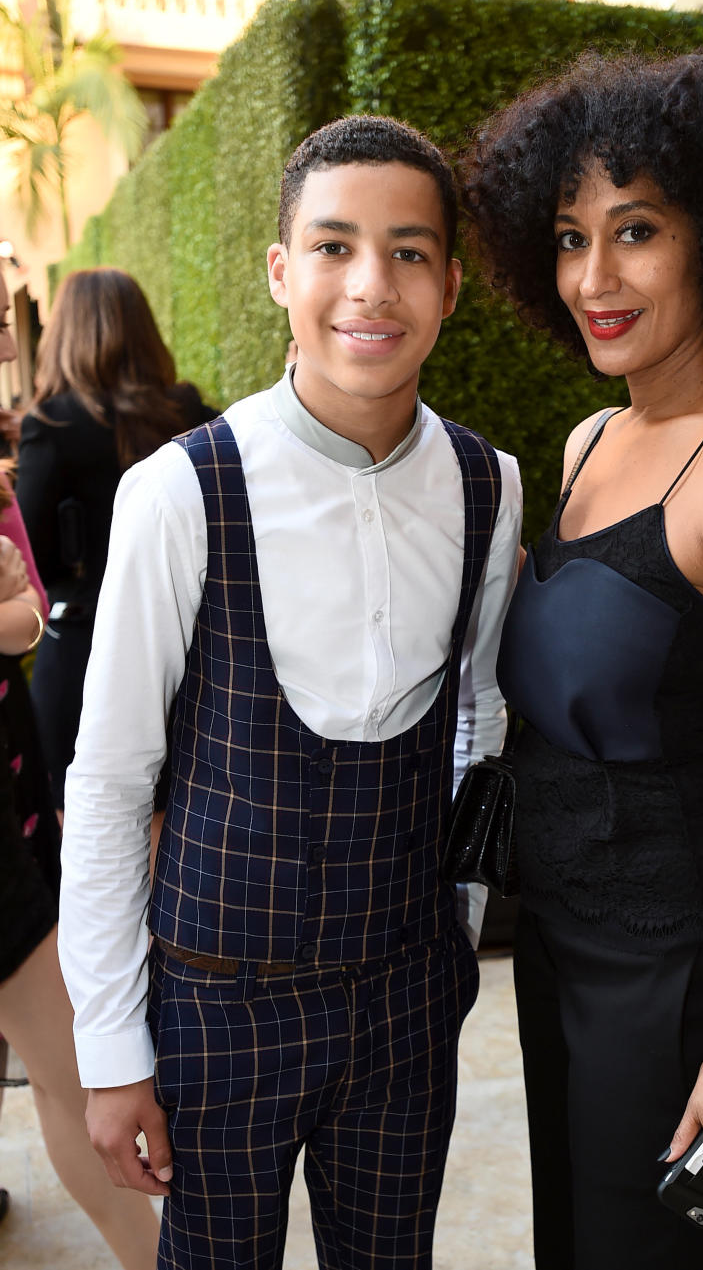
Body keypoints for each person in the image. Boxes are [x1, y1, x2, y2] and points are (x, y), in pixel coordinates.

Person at [59, 115, 522, 1269]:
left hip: (407, 995)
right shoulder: (181, 492)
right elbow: (112, 782)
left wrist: (454, 935)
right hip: (219, 1004)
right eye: (334, 247)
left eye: (410, 252)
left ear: (451, 285)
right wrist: (112, 1047)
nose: (372, 286)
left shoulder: (489, 482)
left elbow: (479, 715)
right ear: (281, 271)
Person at [463, 52, 703, 1267]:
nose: (595, 277)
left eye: (636, 231)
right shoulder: (592, 437)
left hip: (685, 967)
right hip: (565, 937)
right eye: (572, 237)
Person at [0, 267, 160, 1264]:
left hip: (23, 774)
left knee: (69, 1061)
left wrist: (16, 610)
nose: (12, 346)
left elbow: (26, 609)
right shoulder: (175, 414)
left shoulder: (34, 438)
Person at [16, 270, 216, 812]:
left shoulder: (51, 427)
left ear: (65, 333)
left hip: (82, 649)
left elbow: (29, 555)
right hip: (190, 653)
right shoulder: (191, 414)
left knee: (85, 839)